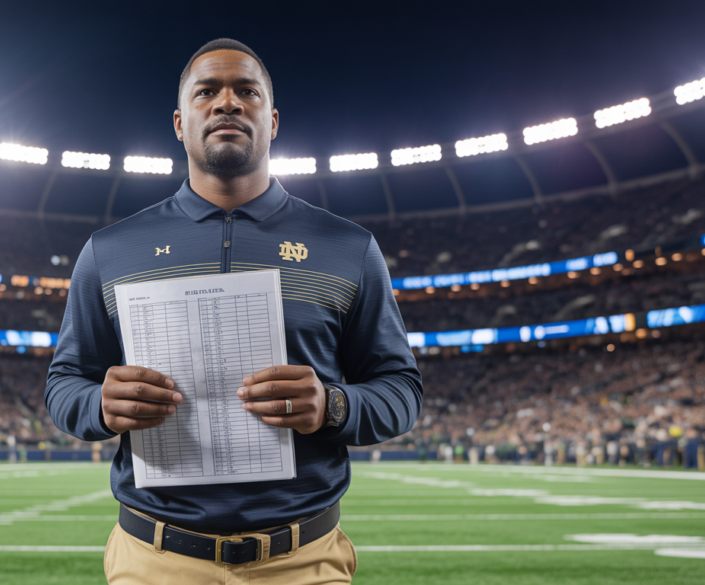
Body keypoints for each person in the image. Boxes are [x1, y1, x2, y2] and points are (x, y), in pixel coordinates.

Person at [45, 39, 422, 584]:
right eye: (207, 92)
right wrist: (99, 405)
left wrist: (333, 404)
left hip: (304, 559)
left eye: (246, 91)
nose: (228, 103)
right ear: (180, 122)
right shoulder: (110, 250)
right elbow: (64, 384)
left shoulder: (348, 246)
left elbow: (401, 390)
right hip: (155, 558)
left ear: (272, 120)